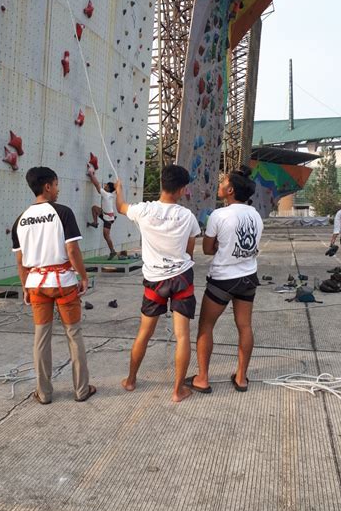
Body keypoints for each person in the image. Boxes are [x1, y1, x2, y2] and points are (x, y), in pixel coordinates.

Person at [115, 165, 201, 402]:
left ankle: (131, 380)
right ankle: (177, 390)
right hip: (182, 278)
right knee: (182, 336)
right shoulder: (188, 217)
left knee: (144, 332)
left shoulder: (143, 210)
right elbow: (190, 250)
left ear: (162, 183)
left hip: (154, 280)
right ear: (182, 189)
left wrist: (119, 191)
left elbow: (120, 207)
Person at [12, 167, 96, 404]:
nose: (58, 189)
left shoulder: (21, 219)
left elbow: (20, 261)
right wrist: (83, 276)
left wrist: (25, 287)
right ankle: (81, 390)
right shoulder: (63, 213)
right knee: (74, 334)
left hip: (37, 285)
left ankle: (44, 393)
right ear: (47, 186)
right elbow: (72, 250)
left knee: (41, 337)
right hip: (64, 284)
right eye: (56, 184)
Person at [186, 166, 263, 394]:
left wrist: (220, 244)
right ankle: (241, 378)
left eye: (222, 183)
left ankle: (203, 378)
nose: (219, 185)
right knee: (245, 327)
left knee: (206, 326)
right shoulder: (255, 215)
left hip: (222, 280)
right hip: (248, 278)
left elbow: (208, 249)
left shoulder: (219, 215)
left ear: (230, 190)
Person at [86, 168, 117, 260]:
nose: (105, 186)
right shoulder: (111, 194)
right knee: (94, 209)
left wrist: (91, 174)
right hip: (105, 214)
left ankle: (112, 251)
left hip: (108, 218)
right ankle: (95, 223)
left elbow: (97, 185)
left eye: (106, 186)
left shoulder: (106, 194)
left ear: (108, 188)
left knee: (106, 236)